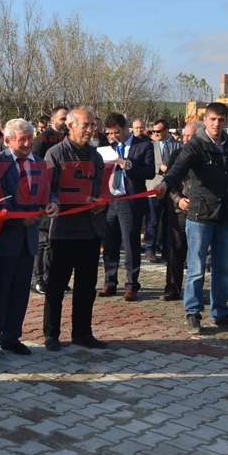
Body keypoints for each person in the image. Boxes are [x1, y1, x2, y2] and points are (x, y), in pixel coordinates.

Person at [157, 102, 228, 334]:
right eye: (213, 119)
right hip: (200, 215)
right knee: (196, 267)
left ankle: (221, 313)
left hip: (227, 216)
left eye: (221, 119)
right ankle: (193, 312)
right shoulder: (196, 145)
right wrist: (166, 185)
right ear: (205, 120)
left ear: (226, 121)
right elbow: (177, 169)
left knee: (222, 269)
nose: (217, 123)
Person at [42, 106, 108, 351]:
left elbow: (101, 189)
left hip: (90, 231)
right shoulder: (55, 154)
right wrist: (63, 201)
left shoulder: (96, 156)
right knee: (56, 285)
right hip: (63, 230)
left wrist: (100, 201)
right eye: (86, 125)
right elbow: (47, 189)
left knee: (86, 287)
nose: (91, 129)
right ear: (70, 126)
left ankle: (82, 332)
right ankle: (51, 333)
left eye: (93, 125)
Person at [0, 119, 42, 357]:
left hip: (29, 239)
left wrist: (51, 204)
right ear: (8, 141)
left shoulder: (39, 163)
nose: (28, 143)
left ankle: (11, 337)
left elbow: (51, 191)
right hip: (5, 238)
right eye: (22, 139)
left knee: (20, 291)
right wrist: (19, 218)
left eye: (30, 138)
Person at [100, 113, 155, 301]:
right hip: (110, 200)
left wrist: (127, 165)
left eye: (116, 132)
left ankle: (132, 284)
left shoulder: (143, 145)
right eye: (110, 133)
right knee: (110, 242)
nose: (113, 136)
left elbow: (149, 172)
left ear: (125, 128)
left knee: (130, 243)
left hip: (130, 200)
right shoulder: (109, 147)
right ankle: (110, 281)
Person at [32, 105, 69, 294]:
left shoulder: (68, 138)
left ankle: (50, 276)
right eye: (62, 119)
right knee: (43, 241)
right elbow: (37, 169)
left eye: (67, 119)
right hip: (45, 195)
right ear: (53, 120)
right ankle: (38, 278)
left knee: (54, 242)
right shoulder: (42, 140)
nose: (65, 122)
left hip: (63, 196)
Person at [164, 123, 200, 300]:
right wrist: (178, 199)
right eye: (184, 136)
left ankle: (195, 291)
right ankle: (172, 287)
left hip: (201, 211)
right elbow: (168, 181)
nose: (186, 139)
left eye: (190, 136)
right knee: (176, 250)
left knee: (197, 254)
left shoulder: (206, 154)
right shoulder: (176, 155)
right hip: (179, 209)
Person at [144, 119, 180, 263]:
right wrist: (159, 168)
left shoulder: (177, 145)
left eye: (158, 131)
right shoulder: (149, 146)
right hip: (154, 187)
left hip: (171, 189)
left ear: (166, 131)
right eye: (153, 131)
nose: (155, 134)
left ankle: (166, 251)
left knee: (168, 222)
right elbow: (146, 164)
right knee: (152, 220)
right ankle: (149, 250)